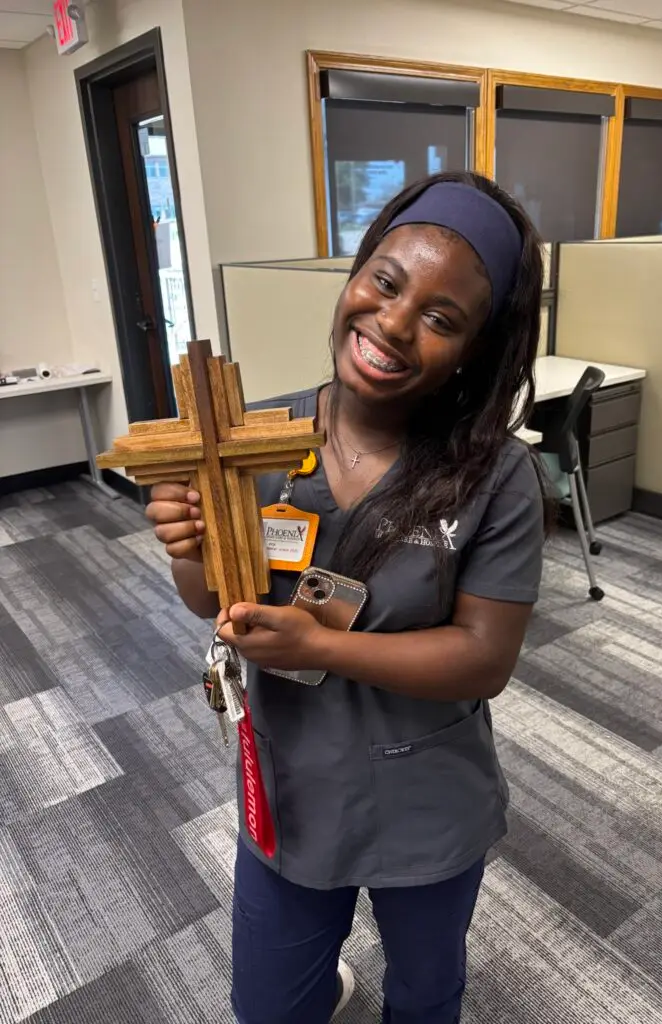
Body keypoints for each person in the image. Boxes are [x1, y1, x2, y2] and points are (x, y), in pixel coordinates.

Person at [146, 171, 546, 1024]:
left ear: (474, 349)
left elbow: (484, 659)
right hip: (292, 787)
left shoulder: (495, 474)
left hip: (428, 800)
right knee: (268, 1006)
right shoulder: (252, 439)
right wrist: (189, 550)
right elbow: (211, 600)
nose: (394, 324)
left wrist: (321, 646)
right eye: (385, 282)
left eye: (442, 319)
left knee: (425, 997)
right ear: (356, 274)